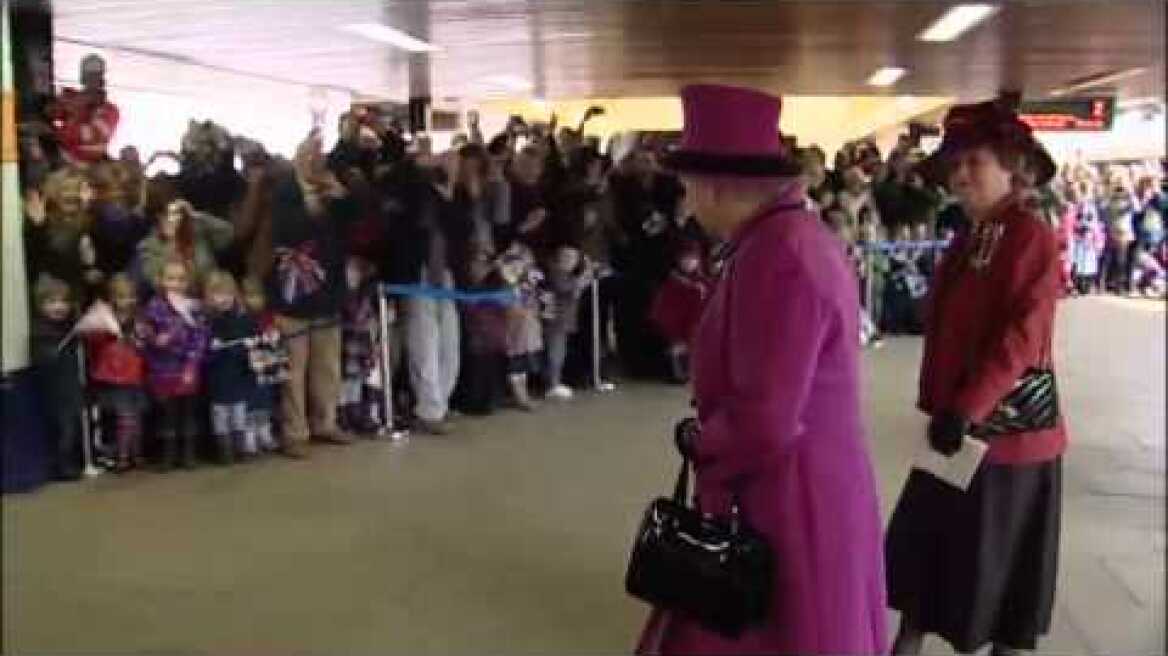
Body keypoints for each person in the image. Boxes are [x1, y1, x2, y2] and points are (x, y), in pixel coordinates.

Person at [635, 84, 886, 656]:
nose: (685, 199)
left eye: (687, 186)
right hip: (800, 480)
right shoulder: (777, 240)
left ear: (717, 184)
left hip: (789, 492)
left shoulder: (780, 257)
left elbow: (768, 416)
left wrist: (704, 442)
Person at [886, 99, 1067, 656]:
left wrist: (968, 406)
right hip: (952, 433)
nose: (960, 176)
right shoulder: (974, 234)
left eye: (975, 163)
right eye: (955, 165)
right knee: (920, 574)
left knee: (999, 592)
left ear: (1012, 166)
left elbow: (1023, 335)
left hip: (1005, 441)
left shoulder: (1029, 234)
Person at [268, 132, 359, 456]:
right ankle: (294, 432)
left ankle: (326, 421)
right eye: (308, 156)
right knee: (294, 368)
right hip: (293, 292)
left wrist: (343, 196)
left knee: (327, 364)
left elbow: (355, 226)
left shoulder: (332, 190)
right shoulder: (283, 192)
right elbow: (291, 231)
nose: (315, 162)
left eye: (319, 156)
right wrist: (312, 200)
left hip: (329, 290)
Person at [137, 258, 210, 470]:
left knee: (188, 413)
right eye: (170, 279)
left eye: (180, 279)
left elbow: (201, 335)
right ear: (160, 280)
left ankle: (188, 455)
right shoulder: (153, 307)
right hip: (162, 369)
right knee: (166, 415)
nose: (175, 284)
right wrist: (155, 339)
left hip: (187, 369)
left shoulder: (194, 307)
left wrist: (192, 362)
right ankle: (167, 456)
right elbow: (143, 333)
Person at [76, 274, 148, 473]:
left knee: (137, 417)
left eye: (131, 296)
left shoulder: (139, 317)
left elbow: (144, 342)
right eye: (122, 297)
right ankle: (122, 457)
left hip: (135, 373)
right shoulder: (104, 319)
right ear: (113, 298)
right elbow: (92, 342)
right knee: (124, 418)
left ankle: (137, 454)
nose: (128, 301)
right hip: (115, 377)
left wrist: (141, 336)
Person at [29, 274, 85, 481]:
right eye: (52, 302)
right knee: (63, 428)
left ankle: (70, 461)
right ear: (40, 304)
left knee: (73, 425)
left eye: (63, 301)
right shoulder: (39, 330)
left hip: (70, 385)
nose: (59, 306)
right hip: (55, 390)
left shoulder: (68, 326)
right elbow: (42, 359)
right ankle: (62, 466)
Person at [204, 271, 259, 463]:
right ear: (209, 296)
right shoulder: (207, 320)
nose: (223, 299)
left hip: (238, 375)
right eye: (217, 294)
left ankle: (240, 449)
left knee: (238, 413)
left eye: (227, 293)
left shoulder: (244, 318)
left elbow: (255, 340)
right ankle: (224, 451)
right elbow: (200, 350)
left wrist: (253, 344)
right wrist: (211, 348)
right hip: (217, 377)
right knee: (220, 416)